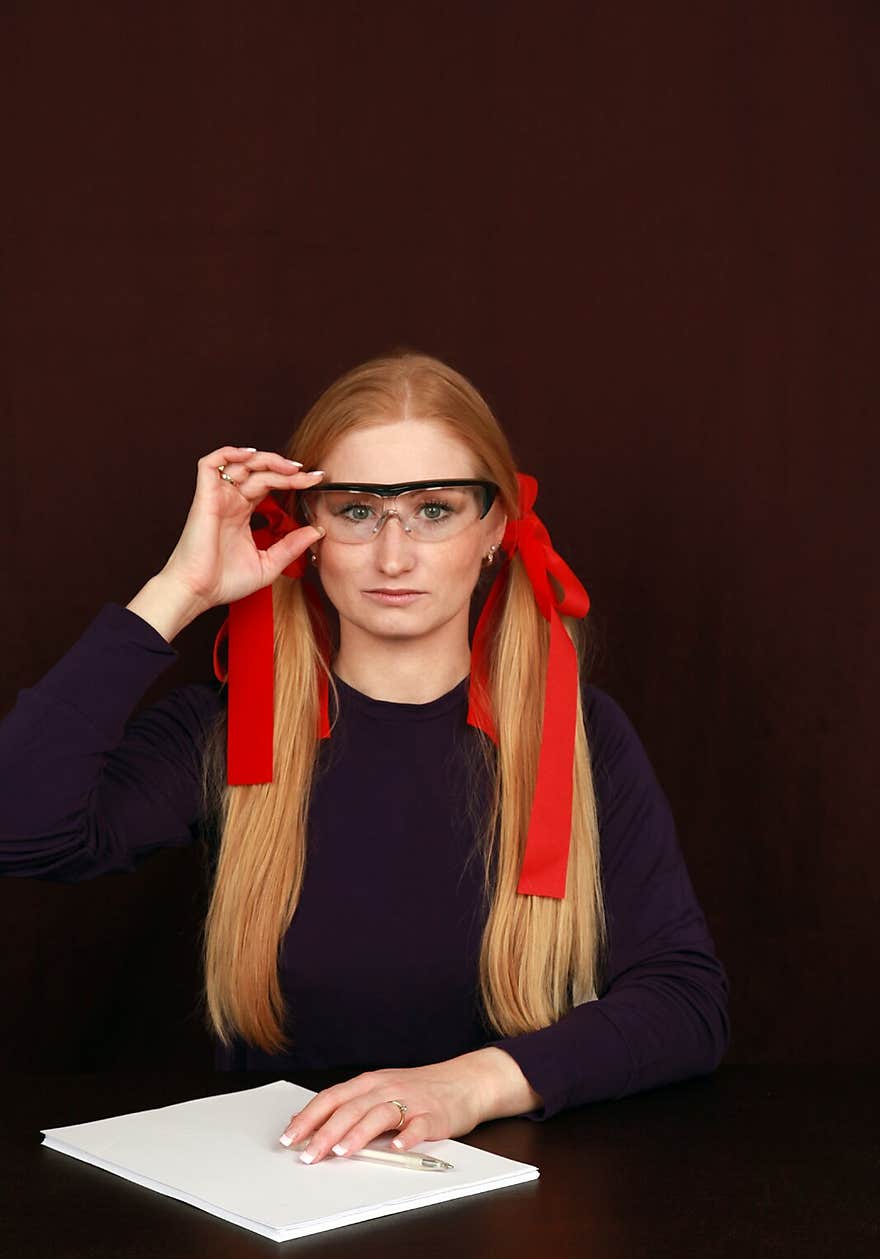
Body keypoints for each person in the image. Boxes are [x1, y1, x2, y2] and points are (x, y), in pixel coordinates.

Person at [0, 349, 729, 1165]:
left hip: (516, 1200)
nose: (393, 556)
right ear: (307, 531)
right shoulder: (227, 732)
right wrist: (182, 589)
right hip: (284, 1194)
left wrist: (467, 1086)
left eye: (434, 510)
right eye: (355, 511)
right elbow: (21, 827)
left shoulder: (584, 735)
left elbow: (685, 1004)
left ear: (495, 529)